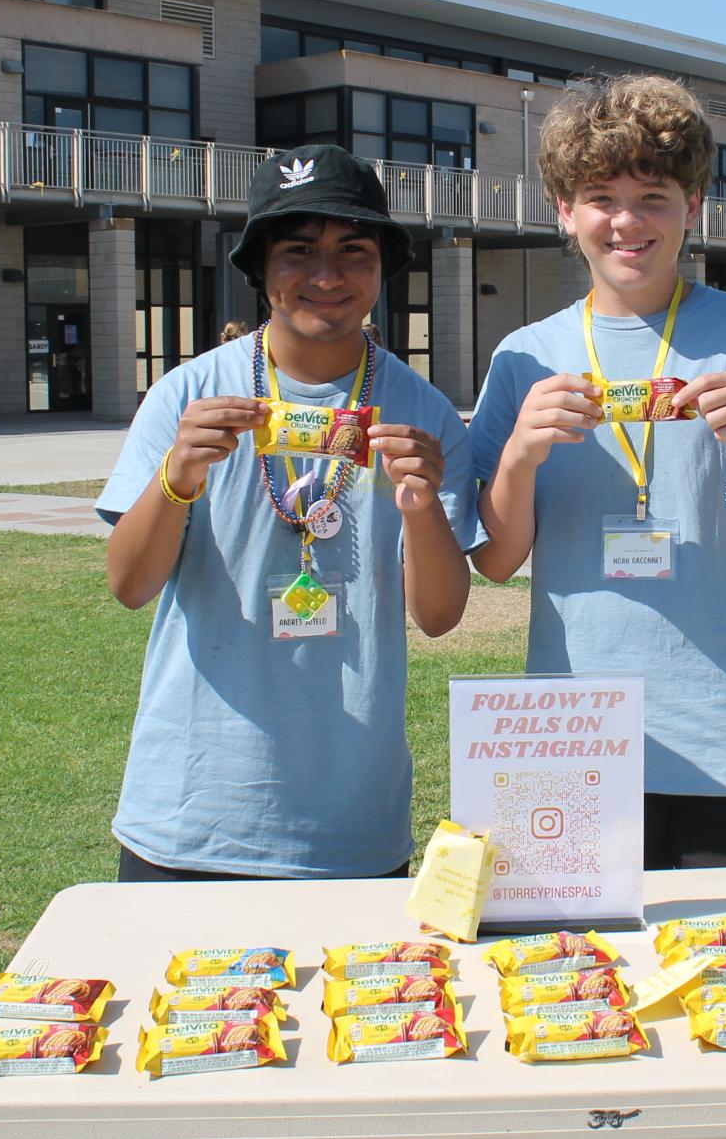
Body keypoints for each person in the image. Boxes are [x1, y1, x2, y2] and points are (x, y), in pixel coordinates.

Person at [467, 75, 726, 871]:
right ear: (564, 212)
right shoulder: (525, 357)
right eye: (600, 196)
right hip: (569, 740)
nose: (627, 221)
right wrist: (518, 455)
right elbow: (494, 562)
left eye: (654, 196)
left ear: (693, 205)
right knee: (574, 987)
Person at [96, 144, 474, 881]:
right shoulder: (187, 395)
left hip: (353, 826)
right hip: (190, 813)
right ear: (260, 270)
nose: (326, 276)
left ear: (381, 269)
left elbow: (438, 615)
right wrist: (176, 477)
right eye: (298, 251)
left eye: (353, 252)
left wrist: (423, 508)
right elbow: (129, 586)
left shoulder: (420, 412)